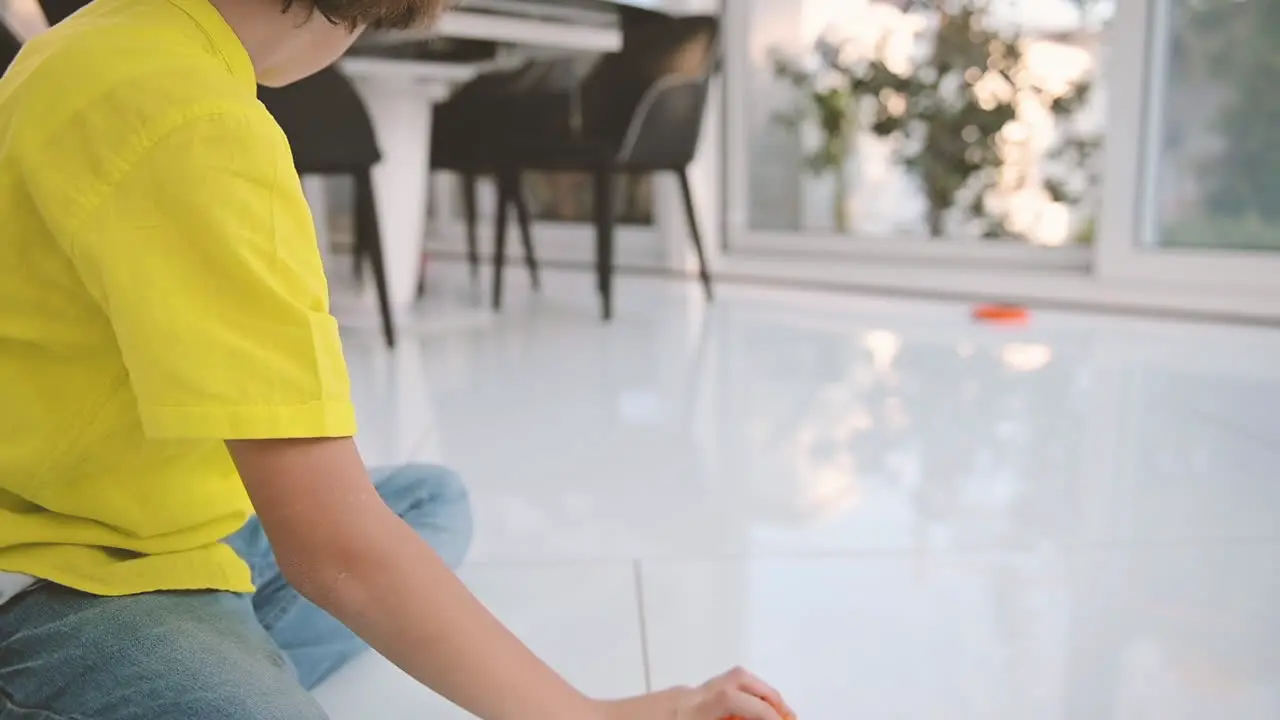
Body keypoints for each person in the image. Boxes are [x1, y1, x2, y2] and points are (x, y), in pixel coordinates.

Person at [0, 0, 795, 718]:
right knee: (358, 557)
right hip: (64, 586)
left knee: (429, 501)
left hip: (141, 514)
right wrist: (592, 715)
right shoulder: (203, 129)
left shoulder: (77, 42)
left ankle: (207, 663)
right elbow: (333, 551)